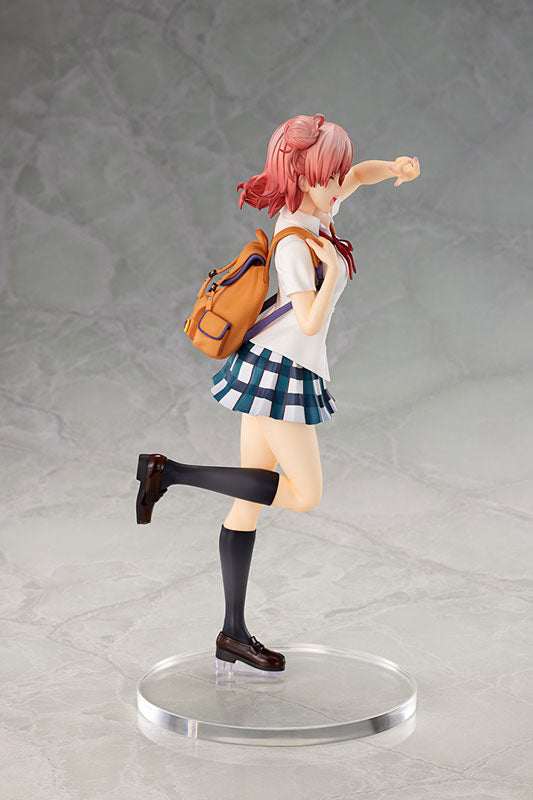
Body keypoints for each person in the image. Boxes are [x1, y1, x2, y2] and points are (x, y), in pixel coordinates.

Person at [135, 113, 420, 672]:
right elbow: (308, 321)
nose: (338, 184)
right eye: (328, 176)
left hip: (270, 362)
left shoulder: (316, 208)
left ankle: (232, 633)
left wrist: (393, 169)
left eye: (336, 174)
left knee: (248, 502)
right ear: (300, 177)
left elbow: (358, 176)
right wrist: (331, 272)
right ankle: (169, 474)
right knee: (304, 493)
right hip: (283, 369)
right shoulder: (295, 242)